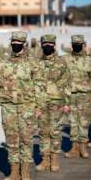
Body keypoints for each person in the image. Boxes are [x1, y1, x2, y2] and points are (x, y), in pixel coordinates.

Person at [0, 31, 44, 180]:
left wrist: (39, 107)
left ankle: (25, 173)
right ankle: (14, 173)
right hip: (8, 107)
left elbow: (39, 86)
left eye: (18, 42)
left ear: (24, 43)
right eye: (13, 41)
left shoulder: (33, 63)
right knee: (11, 140)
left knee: (26, 140)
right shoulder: (3, 62)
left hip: (27, 106)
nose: (15, 44)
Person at [35, 34, 71, 172]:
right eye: (45, 44)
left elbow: (68, 83)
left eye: (50, 44)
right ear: (41, 45)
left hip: (57, 102)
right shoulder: (37, 63)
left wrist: (67, 102)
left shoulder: (61, 63)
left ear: (54, 45)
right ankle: (45, 160)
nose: (47, 46)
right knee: (43, 132)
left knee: (55, 131)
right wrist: (35, 105)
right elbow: (33, 85)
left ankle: (55, 159)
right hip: (41, 102)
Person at [63, 35, 91, 158]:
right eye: (75, 44)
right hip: (70, 95)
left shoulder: (90, 60)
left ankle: (83, 147)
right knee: (72, 121)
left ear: (83, 45)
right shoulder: (66, 60)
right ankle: (74, 148)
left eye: (79, 44)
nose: (77, 46)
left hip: (85, 95)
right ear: (72, 45)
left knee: (83, 122)